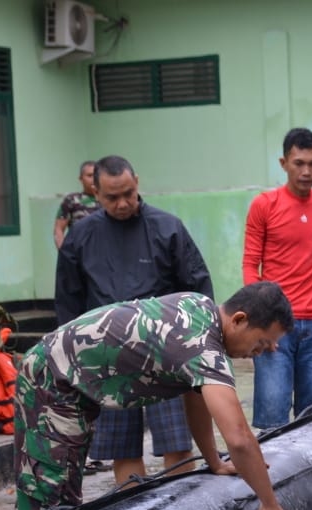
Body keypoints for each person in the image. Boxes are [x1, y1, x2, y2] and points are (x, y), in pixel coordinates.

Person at [11, 282, 293, 510]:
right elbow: (239, 438)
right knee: (50, 495)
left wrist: (214, 461)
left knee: (56, 487)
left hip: (63, 379)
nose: (262, 352)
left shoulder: (200, 308)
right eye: (261, 343)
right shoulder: (201, 346)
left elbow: (196, 399)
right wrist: (271, 506)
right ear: (239, 320)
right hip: (52, 380)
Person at [56, 155, 213, 487]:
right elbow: (69, 302)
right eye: (112, 197)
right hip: (108, 359)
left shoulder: (167, 227)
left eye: (128, 193)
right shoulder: (80, 237)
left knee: (177, 443)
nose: (123, 203)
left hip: (167, 353)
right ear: (94, 193)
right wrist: (73, 364)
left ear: (137, 182)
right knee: (122, 449)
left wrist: (202, 346)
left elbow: (197, 287)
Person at [243, 127, 312, 430]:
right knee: (273, 418)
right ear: (283, 163)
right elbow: (251, 264)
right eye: (298, 163)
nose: (306, 171)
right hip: (274, 325)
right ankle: (271, 477)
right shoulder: (264, 205)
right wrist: (257, 319)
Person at [53, 160, 100, 250]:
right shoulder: (71, 200)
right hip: (79, 252)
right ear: (81, 179)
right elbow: (58, 229)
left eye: (96, 175)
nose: (93, 179)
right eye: (89, 175)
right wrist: (64, 254)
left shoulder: (109, 199)